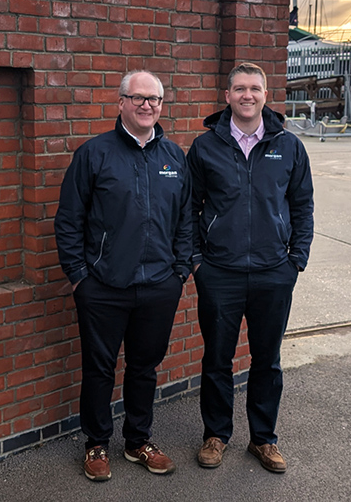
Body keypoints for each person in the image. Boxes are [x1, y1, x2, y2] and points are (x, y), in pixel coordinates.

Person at [54, 70, 193, 482]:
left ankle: (137, 441)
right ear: (121, 103)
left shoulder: (174, 157)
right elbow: (69, 220)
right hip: (103, 287)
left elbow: (186, 219)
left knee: (144, 368)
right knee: (99, 368)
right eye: (138, 98)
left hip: (159, 285)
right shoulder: (94, 154)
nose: (147, 105)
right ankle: (96, 443)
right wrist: (79, 277)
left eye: (155, 99)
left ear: (161, 106)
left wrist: (180, 271)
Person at [185, 62, 314, 474]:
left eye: (254, 88)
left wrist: (296, 260)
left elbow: (302, 206)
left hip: (274, 272)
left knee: (267, 360)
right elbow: (189, 209)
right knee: (217, 359)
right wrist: (197, 262)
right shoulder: (205, 147)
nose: (247, 95)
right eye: (239, 88)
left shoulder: (288, 146)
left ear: (265, 95)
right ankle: (216, 434)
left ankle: (263, 439)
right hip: (219, 272)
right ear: (227, 96)